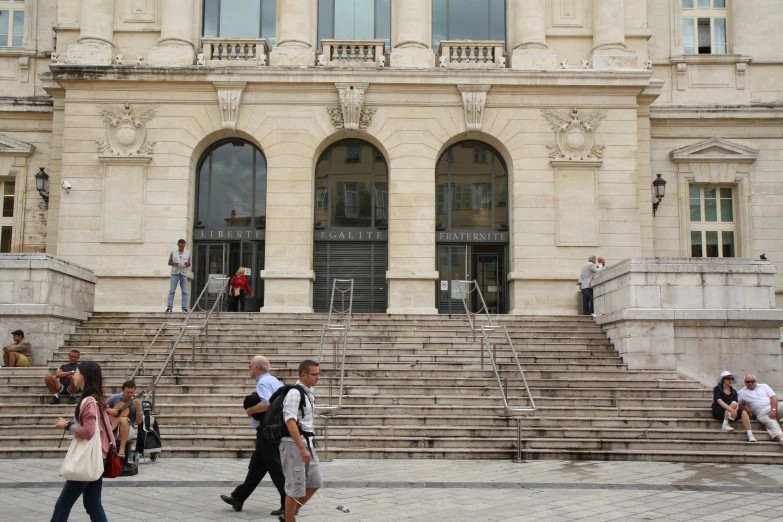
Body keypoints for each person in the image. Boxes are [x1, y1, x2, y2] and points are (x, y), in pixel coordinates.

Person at [220, 356, 286, 517]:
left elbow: (267, 404)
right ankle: (238, 498)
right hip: (273, 430)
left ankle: (288, 503)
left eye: (250, 366)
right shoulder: (276, 381)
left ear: (257, 368)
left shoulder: (263, 383)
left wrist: (250, 411)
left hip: (267, 431)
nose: (248, 368)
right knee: (256, 467)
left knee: (275, 467)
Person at [51, 361, 116, 522]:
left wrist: (67, 425)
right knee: (92, 503)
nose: (74, 375)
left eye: (77, 372)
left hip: (89, 457)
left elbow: (88, 431)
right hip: (100, 454)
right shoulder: (97, 398)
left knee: (63, 504)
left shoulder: (88, 401)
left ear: (85, 376)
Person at [279, 360, 323, 522]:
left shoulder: (308, 392)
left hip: (307, 444)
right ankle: (289, 518)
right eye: (315, 374)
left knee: (315, 481)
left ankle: (288, 515)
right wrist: (301, 448)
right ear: (303, 375)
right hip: (293, 445)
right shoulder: (294, 393)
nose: (318, 377)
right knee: (295, 488)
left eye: (319, 373)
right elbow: (289, 420)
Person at [738, 374, 783, 446]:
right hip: (762, 414)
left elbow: (773, 397)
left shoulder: (764, 386)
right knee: (772, 424)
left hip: (773, 408)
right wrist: (745, 407)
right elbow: (738, 404)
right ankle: (781, 439)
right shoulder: (742, 392)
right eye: (748, 382)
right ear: (745, 382)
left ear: (756, 381)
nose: (750, 383)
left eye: (752, 381)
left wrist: (773, 409)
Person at [712, 371, 755, 441]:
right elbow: (719, 401)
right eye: (728, 378)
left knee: (742, 411)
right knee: (733, 403)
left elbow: (737, 404)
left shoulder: (734, 391)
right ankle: (725, 424)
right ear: (723, 380)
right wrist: (732, 410)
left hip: (731, 413)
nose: (730, 380)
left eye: (732, 378)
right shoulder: (717, 388)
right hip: (719, 411)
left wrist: (735, 411)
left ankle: (750, 434)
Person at [106, 380, 143, 459]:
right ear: (122, 390)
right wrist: (110, 410)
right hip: (112, 427)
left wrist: (137, 408)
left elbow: (139, 421)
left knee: (124, 419)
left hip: (128, 430)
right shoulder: (114, 398)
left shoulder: (137, 403)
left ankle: (122, 450)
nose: (129, 394)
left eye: (131, 392)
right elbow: (102, 407)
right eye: (127, 392)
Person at [166, 238, 191, 313]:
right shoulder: (173, 252)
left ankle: (184, 308)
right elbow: (169, 262)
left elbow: (189, 263)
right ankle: (169, 307)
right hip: (175, 274)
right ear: (178, 245)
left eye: (183, 246)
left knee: (185, 291)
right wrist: (174, 263)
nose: (182, 248)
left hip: (183, 273)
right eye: (180, 246)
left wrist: (187, 264)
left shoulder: (188, 253)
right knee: (172, 291)